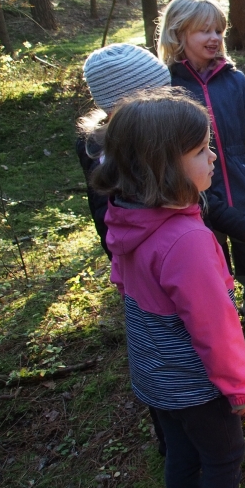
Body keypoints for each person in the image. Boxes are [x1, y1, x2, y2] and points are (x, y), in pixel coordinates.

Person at [92, 88, 245, 488]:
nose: (214, 158)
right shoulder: (187, 241)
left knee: (182, 453)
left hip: (154, 374)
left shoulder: (129, 214)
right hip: (196, 384)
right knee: (224, 456)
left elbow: (122, 278)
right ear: (163, 168)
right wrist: (240, 388)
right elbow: (214, 327)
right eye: (202, 151)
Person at [76, 42, 174, 456]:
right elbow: (110, 222)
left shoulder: (141, 135)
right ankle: (173, 433)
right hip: (145, 263)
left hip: (168, 254)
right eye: (158, 96)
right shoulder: (109, 153)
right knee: (161, 337)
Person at [158, 0, 245, 331]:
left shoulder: (234, 79)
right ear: (179, 35)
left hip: (239, 176)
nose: (214, 38)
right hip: (195, 184)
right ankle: (219, 303)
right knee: (209, 249)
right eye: (203, 31)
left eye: (219, 31)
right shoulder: (169, 85)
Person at [77, 43, 173, 259]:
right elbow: (108, 218)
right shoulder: (106, 155)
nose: (170, 102)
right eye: (160, 96)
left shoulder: (155, 133)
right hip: (143, 259)